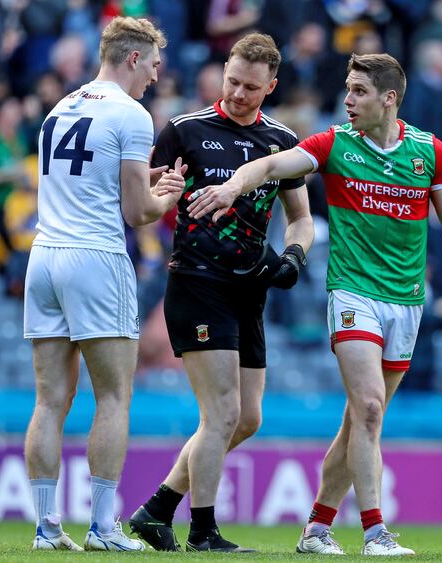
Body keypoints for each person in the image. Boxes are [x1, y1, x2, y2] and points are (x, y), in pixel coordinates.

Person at [188, 53, 442, 556]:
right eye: (346, 89)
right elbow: (277, 164)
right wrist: (235, 185)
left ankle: (317, 528)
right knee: (367, 408)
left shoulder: (429, 152)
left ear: (388, 99)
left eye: (358, 91)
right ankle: (375, 532)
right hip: (352, 295)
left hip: (405, 301)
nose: (347, 100)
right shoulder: (335, 145)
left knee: (359, 422)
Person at [128, 33, 314, 553]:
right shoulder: (185, 130)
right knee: (222, 414)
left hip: (250, 288)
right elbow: (140, 197)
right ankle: (203, 531)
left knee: (248, 418)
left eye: (250, 87)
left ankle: (157, 509)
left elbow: (301, 221)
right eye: (231, 81)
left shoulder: (281, 141)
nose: (236, 93)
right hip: (197, 281)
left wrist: (294, 258)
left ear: (270, 86)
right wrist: (164, 195)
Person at [22, 16, 187, 552]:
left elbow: (97, 185)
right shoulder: (132, 113)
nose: (156, 79)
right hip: (95, 257)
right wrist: (171, 195)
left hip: (44, 255)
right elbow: (138, 213)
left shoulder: (60, 108)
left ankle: (47, 529)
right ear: (134, 57)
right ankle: (102, 527)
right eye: (155, 65)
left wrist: (147, 186)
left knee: (50, 401)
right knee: (114, 395)